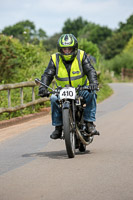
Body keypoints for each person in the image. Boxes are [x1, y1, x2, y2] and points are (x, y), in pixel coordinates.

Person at [39, 34, 99, 139]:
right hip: (61, 90)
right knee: (53, 98)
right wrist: (42, 88)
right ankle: (58, 127)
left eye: (69, 48)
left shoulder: (81, 55)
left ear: (74, 48)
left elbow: (90, 70)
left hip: (80, 89)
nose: (67, 51)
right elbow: (48, 74)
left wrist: (93, 83)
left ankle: (89, 123)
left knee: (91, 95)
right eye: (64, 49)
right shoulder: (54, 58)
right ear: (60, 49)